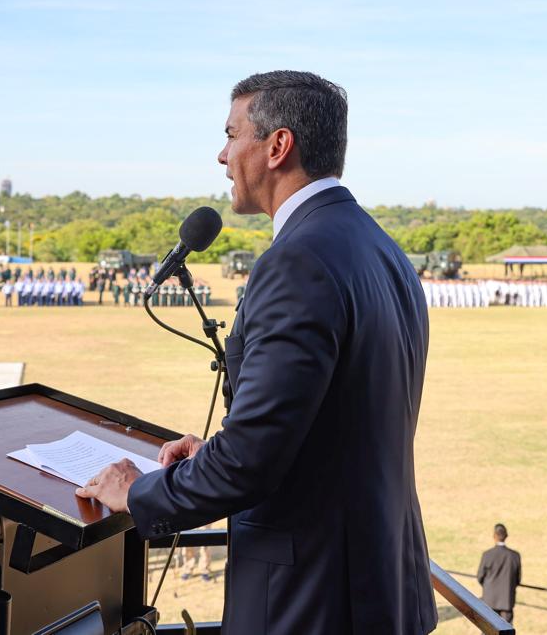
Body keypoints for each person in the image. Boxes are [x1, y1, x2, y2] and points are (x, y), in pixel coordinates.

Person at [76, 71, 436, 634]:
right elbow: (326, 427)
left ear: (277, 146)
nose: (221, 155)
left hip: (312, 601)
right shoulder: (380, 248)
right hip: (382, 587)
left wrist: (138, 491)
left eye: (231, 134)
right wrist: (213, 452)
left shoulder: (298, 262)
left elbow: (251, 462)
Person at [477, 523, 522, 623]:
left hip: (489, 599)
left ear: (494, 536)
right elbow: (518, 579)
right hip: (507, 599)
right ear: (506, 536)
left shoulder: (487, 555)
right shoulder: (514, 556)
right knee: (506, 630)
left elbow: (480, 577)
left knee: (488, 629)